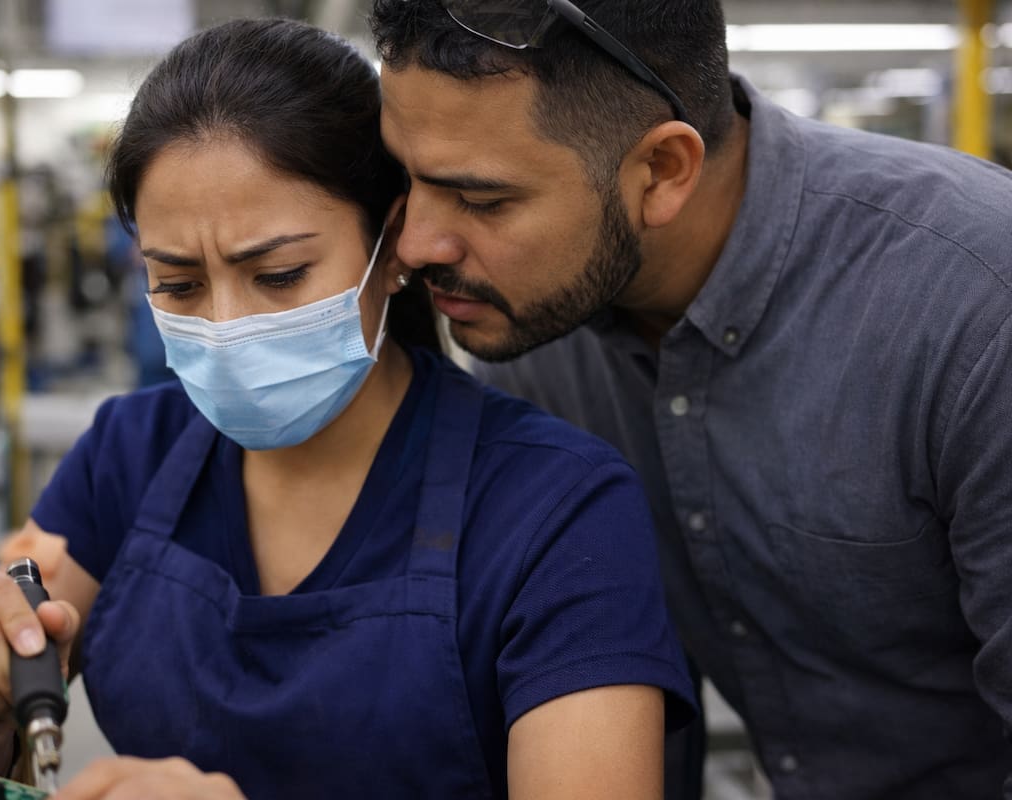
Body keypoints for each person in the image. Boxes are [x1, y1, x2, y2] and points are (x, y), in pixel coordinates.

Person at [0, 19, 695, 800]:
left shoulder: (557, 510)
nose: (227, 326)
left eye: (278, 277)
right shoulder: (127, 456)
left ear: (391, 249)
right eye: (178, 284)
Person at [369, 0, 1012, 798]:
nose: (416, 244)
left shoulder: (977, 308)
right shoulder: (534, 324)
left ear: (664, 171)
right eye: (409, 177)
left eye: (482, 199)